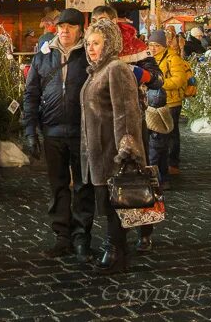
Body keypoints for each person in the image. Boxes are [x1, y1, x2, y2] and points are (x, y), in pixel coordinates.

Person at [22, 8, 94, 262]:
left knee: (84, 186)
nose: (64, 31)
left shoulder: (89, 54)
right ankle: (62, 236)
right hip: (52, 131)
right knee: (58, 186)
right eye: (61, 27)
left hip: (83, 131)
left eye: (70, 27)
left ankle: (81, 235)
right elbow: (31, 94)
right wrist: (30, 130)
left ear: (79, 30)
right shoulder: (43, 57)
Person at [79, 18, 144, 274]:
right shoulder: (96, 70)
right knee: (107, 203)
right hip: (96, 150)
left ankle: (115, 250)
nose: (90, 48)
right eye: (88, 43)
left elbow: (126, 112)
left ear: (109, 43)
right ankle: (115, 248)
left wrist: (127, 147)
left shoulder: (116, 68)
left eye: (96, 43)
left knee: (116, 202)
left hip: (112, 151)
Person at [148, 30, 191, 176]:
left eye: (156, 46)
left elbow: (180, 79)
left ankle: (173, 163)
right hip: (154, 103)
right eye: (151, 45)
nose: (153, 48)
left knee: (171, 134)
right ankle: (161, 164)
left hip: (172, 102)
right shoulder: (148, 59)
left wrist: (158, 84)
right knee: (158, 135)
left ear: (163, 46)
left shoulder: (173, 58)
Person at [144, 88, 174, 191]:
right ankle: (165, 180)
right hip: (164, 139)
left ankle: (154, 181)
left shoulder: (151, 112)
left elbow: (148, 126)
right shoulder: (165, 110)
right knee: (163, 160)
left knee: (153, 160)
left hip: (154, 139)